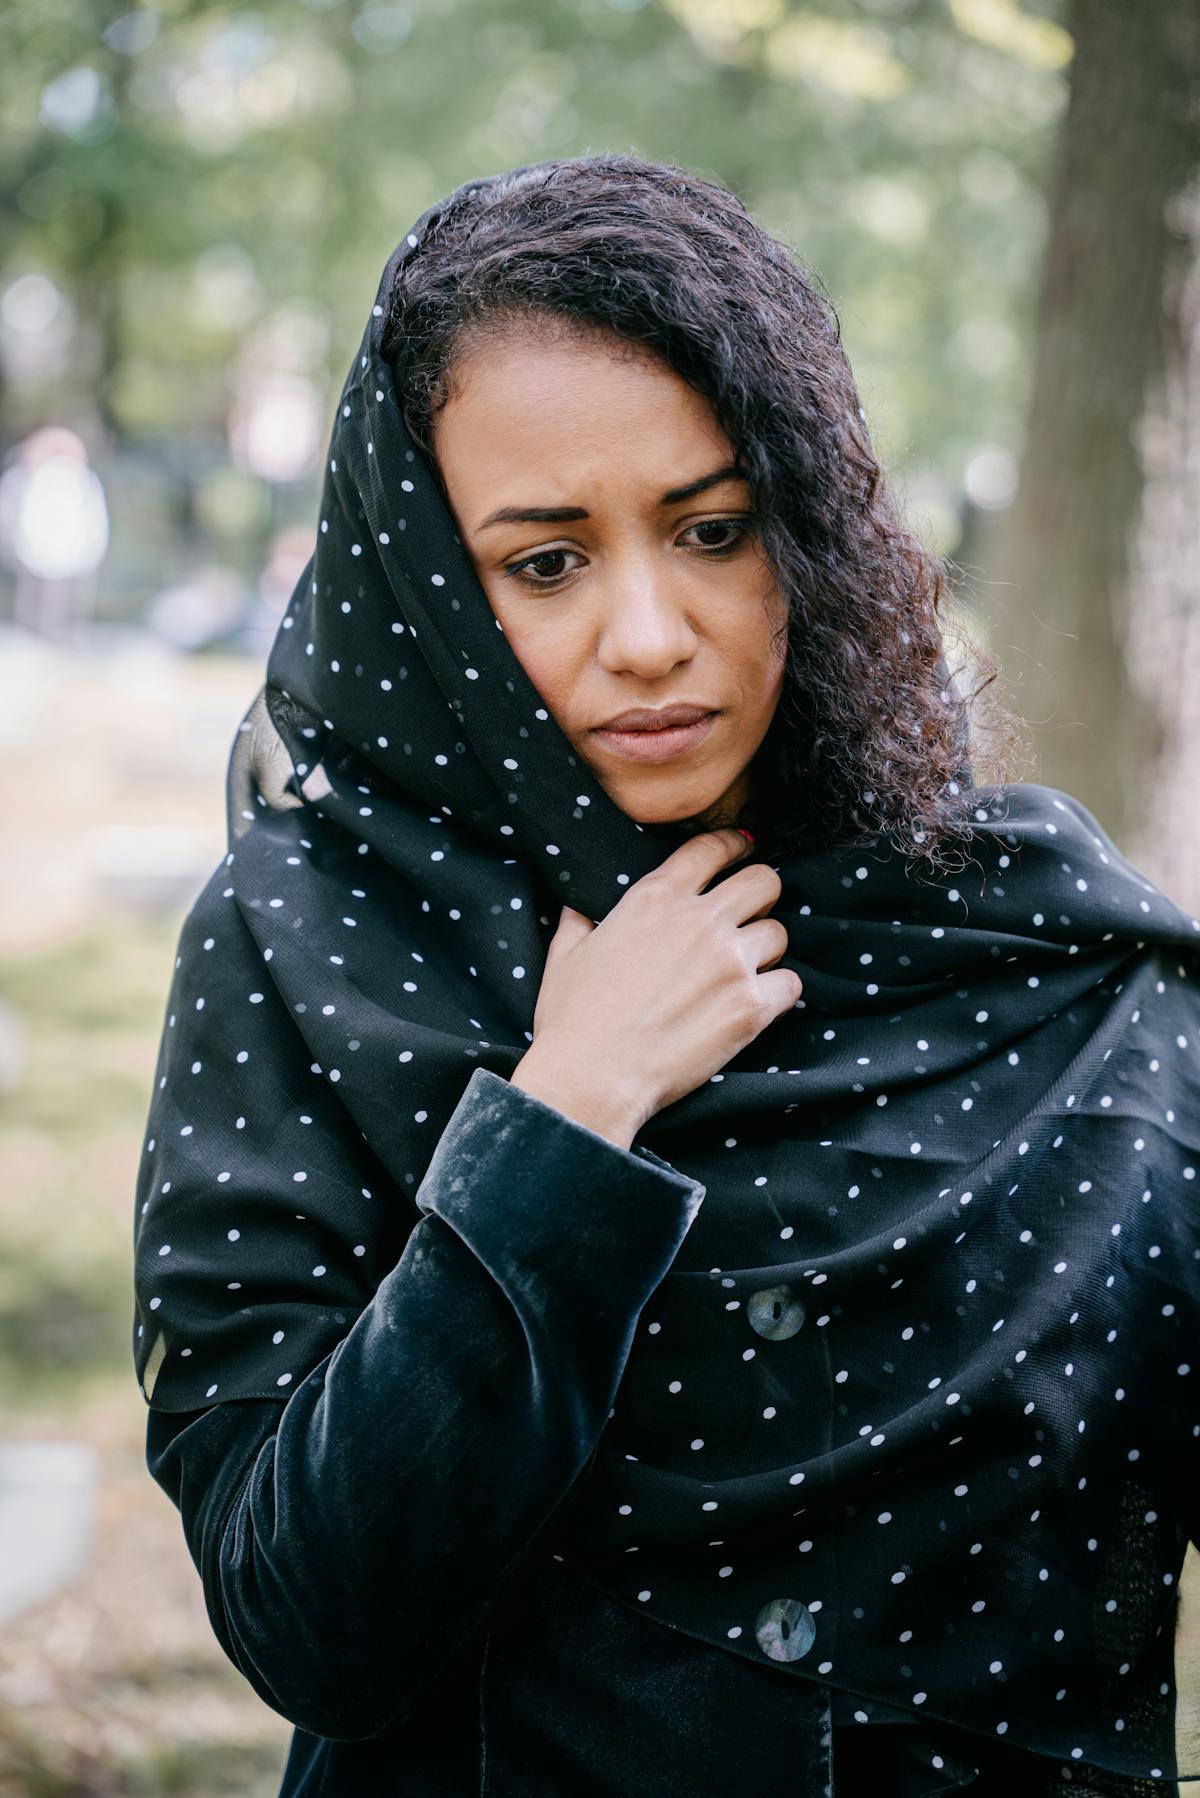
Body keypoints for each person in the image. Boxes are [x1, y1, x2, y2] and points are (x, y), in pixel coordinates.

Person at [132, 156, 1199, 1797]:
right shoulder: (308, 945)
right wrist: (566, 1112)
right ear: (426, 581)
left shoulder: (1044, 945)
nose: (648, 632)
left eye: (712, 530)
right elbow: (312, 1613)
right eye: (545, 562)